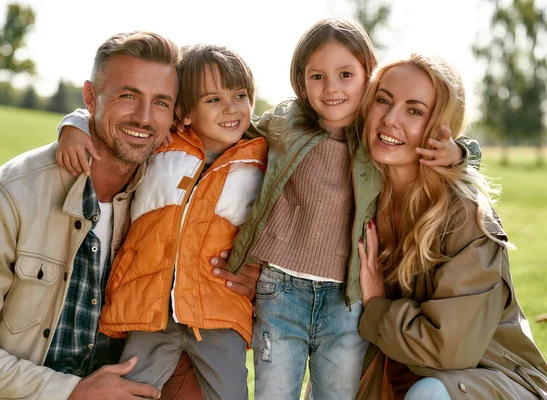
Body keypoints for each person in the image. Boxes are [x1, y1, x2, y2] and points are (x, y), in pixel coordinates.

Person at [58, 19, 476, 399]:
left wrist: (461, 152)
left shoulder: (375, 135)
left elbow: (435, 146)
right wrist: (76, 122)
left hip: (344, 298)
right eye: (318, 76)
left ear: (368, 75)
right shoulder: (283, 126)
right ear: (300, 80)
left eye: (345, 75)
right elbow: (213, 126)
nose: (332, 89)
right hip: (281, 291)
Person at [0, 31, 258, 400]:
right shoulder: (10, 196)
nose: (144, 118)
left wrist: (248, 278)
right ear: (91, 97)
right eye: (128, 96)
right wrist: (71, 392)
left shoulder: (161, 191)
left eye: (160, 102)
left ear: (177, 114)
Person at [58, 43, 266, 399]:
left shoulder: (262, 160)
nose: (231, 108)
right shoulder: (162, 146)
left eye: (240, 95)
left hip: (217, 313)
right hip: (149, 308)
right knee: (129, 390)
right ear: (184, 111)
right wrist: (74, 123)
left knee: (231, 393)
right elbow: (109, 123)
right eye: (213, 100)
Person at [357, 53, 547, 399]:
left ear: (440, 130)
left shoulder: (466, 216)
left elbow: (447, 349)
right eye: (382, 100)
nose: (390, 119)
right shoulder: (360, 195)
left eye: (414, 111)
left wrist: (375, 306)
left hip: (490, 382)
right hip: (396, 378)